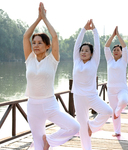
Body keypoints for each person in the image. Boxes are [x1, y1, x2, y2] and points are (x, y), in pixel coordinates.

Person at [23, 3, 80, 150]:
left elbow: (54, 36)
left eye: (40, 43)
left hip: (49, 104)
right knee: (38, 147)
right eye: (34, 43)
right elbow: (25, 36)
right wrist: (38, 18)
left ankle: (50, 140)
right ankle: (42, 143)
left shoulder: (52, 60)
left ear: (47, 46)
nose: (35, 45)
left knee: (74, 127)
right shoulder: (29, 59)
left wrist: (45, 18)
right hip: (32, 106)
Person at [72, 19, 112, 150]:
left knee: (107, 111)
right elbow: (77, 43)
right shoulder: (76, 60)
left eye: (86, 51)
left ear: (91, 54)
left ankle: (92, 126)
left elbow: (97, 44)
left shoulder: (94, 62)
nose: (83, 52)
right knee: (82, 126)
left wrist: (95, 30)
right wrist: (83, 29)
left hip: (91, 96)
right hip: (78, 96)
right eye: (82, 50)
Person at [104, 26, 128, 137]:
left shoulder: (124, 60)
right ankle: (117, 131)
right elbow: (106, 47)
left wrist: (118, 35)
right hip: (111, 90)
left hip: (122, 89)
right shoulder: (109, 60)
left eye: (118, 50)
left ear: (122, 52)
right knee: (113, 110)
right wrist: (112, 36)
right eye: (114, 50)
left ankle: (118, 112)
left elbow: (125, 46)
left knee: (123, 102)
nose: (116, 51)